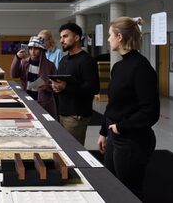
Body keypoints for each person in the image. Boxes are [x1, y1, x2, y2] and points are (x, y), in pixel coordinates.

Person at [97, 17, 159, 200]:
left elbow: (150, 111)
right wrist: (103, 131)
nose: (108, 39)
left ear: (119, 37)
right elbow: (113, 104)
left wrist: (121, 127)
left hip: (132, 140)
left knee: (129, 192)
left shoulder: (141, 67)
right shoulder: (118, 66)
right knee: (112, 185)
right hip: (115, 135)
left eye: (109, 35)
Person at [51, 22, 99, 145]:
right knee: (63, 148)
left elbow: (93, 88)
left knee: (72, 150)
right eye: (61, 37)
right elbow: (60, 82)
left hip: (76, 115)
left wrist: (66, 86)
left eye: (65, 36)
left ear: (77, 38)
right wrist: (56, 87)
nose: (62, 40)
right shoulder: (63, 60)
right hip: (62, 112)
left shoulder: (87, 60)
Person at [11, 36, 57, 118]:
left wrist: (47, 86)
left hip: (44, 102)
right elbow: (14, 75)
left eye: (36, 48)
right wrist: (17, 58)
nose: (33, 51)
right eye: (30, 48)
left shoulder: (50, 65)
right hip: (26, 99)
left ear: (41, 50)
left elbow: (54, 85)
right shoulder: (24, 62)